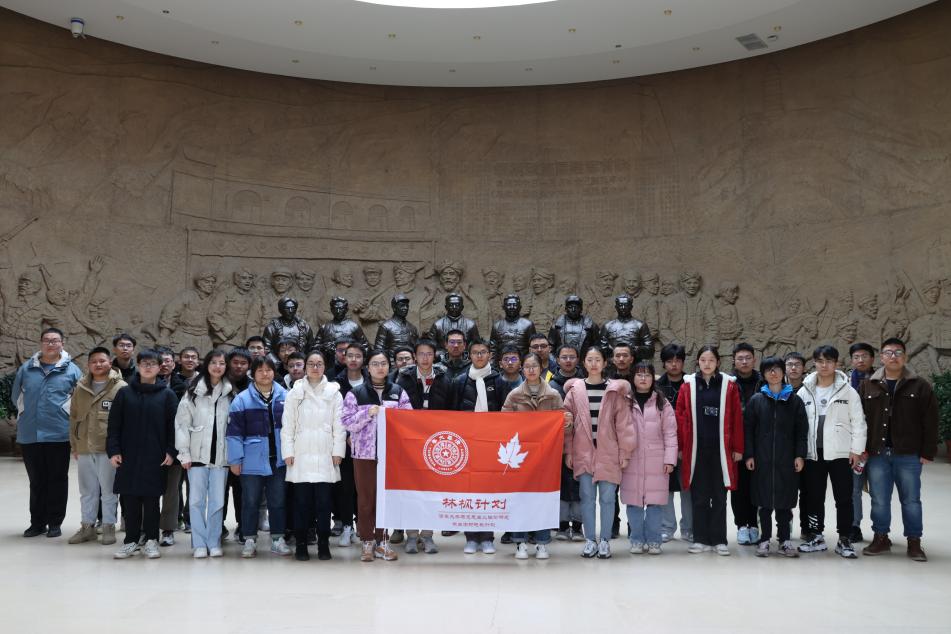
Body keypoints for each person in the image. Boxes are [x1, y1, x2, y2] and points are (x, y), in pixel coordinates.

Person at [860, 338, 938, 562]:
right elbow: (859, 420)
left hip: (908, 454)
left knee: (911, 500)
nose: (893, 356)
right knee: (879, 499)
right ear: (881, 357)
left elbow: (931, 420)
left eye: (898, 352)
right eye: (888, 352)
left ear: (905, 356)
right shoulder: (867, 385)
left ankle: (914, 542)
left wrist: (927, 452)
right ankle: (880, 537)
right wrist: (860, 449)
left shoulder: (920, 385)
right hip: (877, 454)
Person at [564, 346, 635, 559]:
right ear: (584, 363)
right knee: (586, 498)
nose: (594, 363)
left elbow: (624, 425)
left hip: (609, 453)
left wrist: (625, 452)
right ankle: (589, 540)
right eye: (590, 359)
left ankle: (604, 540)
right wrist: (569, 451)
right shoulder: (575, 391)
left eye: (598, 359)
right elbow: (567, 425)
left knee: (607, 498)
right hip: (583, 452)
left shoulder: (614, 391)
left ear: (605, 363)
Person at [342, 350, 412, 562]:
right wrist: (367, 413)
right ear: (368, 367)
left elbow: (409, 420)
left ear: (389, 367)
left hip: (390, 455)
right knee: (365, 499)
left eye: (383, 363)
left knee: (385, 499)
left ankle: (382, 541)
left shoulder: (398, 391)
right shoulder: (356, 393)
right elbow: (347, 422)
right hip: (364, 455)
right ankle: (367, 541)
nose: (380, 367)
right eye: (375, 364)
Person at [796, 345, 866, 558]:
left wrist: (856, 450)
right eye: (819, 361)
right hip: (813, 454)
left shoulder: (848, 391)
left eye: (828, 361)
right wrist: (799, 452)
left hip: (841, 454)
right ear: (814, 363)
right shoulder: (804, 390)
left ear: (836, 363)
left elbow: (859, 422)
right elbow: (797, 424)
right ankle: (816, 536)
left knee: (843, 498)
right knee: (814, 497)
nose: (824, 365)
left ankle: (844, 539)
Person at [107, 349, 178, 559]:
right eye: (144, 363)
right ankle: (130, 541)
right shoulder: (124, 393)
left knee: (151, 500)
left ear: (159, 367)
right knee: (129, 499)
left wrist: (171, 451)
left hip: (156, 456)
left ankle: (151, 540)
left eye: (152, 363)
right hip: (128, 456)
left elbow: (174, 427)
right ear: (138, 366)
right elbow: (114, 425)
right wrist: (114, 450)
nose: (148, 367)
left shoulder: (167, 395)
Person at [13, 327, 82, 539]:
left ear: (62, 343)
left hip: (59, 434)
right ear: (41, 343)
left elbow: (80, 401)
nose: (51, 344)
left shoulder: (72, 370)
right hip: (30, 434)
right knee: (36, 480)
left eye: (55, 340)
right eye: (47, 340)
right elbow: (16, 396)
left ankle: (54, 522)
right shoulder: (27, 369)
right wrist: (26, 414)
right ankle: (37, 523)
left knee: (57, 479)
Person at [676, 346, 744, 556]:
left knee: (720, 496)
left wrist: (738, 448)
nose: (707, 364)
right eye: (703, 360)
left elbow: (736, 417)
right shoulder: (688, 386)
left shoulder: (729, 386)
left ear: (718, 362)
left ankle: (719, 540)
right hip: (696, 450)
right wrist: (681, 446)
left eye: (711, 360)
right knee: (699, 497)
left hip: (721, 450)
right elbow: (680, 417)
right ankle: (700, 539)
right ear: (697, 362)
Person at [501, 352, 570, 560]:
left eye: (534, 366)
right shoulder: (514, 395)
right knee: (520, 499)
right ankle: (520, 542)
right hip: (520, 457)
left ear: (541, 368)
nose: (531, 370)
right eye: (527, 366)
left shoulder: (553, 395)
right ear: (522, 369)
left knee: (543, 500)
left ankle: (542, 542)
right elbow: (504, 424)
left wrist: (567, 422)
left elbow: (563, 426)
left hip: (545, 457)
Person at [282, 351, 346, 561]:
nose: (315, 367)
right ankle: (301, 544)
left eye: (319, 364)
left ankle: (323, 544)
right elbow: (287, 426)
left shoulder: (334, 392)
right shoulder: (295, 392)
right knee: (301, 504)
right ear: (305, 367)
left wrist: (338, 452)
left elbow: (339, 426)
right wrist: (288, 452)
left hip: (325, 454)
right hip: (300, 454)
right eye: (311, 363)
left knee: (324, 504)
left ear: (325, 366)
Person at [743, 356, 808, 558]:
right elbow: (748, 431)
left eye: (777, 369)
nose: (773, 373)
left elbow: (802, 432)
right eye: (769, 370)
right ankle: (764, 540)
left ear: (783, 372)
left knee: (785, 504)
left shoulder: (795, 401)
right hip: (762, 460)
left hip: (786, 460)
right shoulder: (756, 400)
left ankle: (785, 541)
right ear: (763, 374)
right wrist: (749, 455)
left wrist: (800, 455)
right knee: (764, 504)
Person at [227, 356, 292, 558]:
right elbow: (234, 434)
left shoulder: (286, 396)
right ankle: (249, 539)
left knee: (278, 501)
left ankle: (277, 539)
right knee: (250, 501)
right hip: (251, 460)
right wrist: (235, 460)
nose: (265, 374)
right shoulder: (242, 399)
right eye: (260, 370)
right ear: (252, 374)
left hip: (279, 460)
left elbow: (293, 429)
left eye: (269, 370)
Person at [394, 338, 452, 553]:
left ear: (434, 356)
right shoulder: (403, 379)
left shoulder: (445, 379)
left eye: (429, 354)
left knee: (432, 490)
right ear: (415, 357)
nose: (425, 358)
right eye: (421, 354)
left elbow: (453, 411)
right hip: (410, 442)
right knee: (411, 489)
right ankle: (411, 535)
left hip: (436, 443)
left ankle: (427, 535)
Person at [174, 349, 234, 558]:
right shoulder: (193, 392)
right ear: (206, 365)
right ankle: (199, 543)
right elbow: (182, 424)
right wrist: (184, 453)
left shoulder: (230, 392)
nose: (218, 367)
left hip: (221, 457)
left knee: (218, 502)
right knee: (196, 501)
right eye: (214, 362)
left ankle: (213, 541)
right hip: (196, 456)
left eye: (222, 363)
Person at [452, 338, 509, 551]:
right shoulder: (460, 381)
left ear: (490, 355)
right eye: (475, 352)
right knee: (468, 490)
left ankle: (487, 537)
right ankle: (470, 537)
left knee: (489, 489)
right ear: (469, 356)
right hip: (467, 443)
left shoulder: (499, 381)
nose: (479, 356)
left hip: (491, 443)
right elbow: (452, 414)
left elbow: (505, 414)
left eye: (483, 352)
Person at [67, 347, 125, 546]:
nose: (98, 364)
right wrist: (75, 445)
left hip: (108, 450)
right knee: (87, 491)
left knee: (109, 490)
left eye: (102, 361)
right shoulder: (81, 387)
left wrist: (120, 449)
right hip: (84, 446)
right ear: (88, 365)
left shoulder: (120, 387)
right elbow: (73, 418)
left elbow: (126, 421)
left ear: (110, 362)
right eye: (94, 361)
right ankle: (87, 527)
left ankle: (108, 526)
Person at [622, 360, 677, 555]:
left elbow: (671, 433)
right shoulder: (625, 402)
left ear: (653, 378)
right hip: (631, 460)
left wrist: (670, 459)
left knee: (655, 503)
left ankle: (654, 540)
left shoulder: (662, 402)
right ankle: (636, 539)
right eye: (639, 374)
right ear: (633, 378)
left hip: (657, 461)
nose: (643, 378)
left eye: (647, 375)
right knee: (633, 503)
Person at [331, 341, 365, 547]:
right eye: (349, 355)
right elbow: (334, 415)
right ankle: (346, 526)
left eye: (357, 356)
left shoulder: (371, 381)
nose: (353, 359)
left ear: (364, 359)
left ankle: (363, 524)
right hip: (343, 443)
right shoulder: (335, 383)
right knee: (345, 487)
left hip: (367, 444)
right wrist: (345, 437)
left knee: (364, 487)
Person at [657, 343, 691, 543]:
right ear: (664, 363)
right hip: (663, 445)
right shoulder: (656, 386)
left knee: (688, 487)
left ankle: (689, 527)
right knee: (665, 488)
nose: (674, 364)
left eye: (678, 360)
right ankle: (667, 527)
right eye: (669, 361)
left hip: (687, 444)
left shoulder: (691, 383)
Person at [155, 346, 187, 546]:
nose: (164, 364)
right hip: (149, 445)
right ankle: (147, 528)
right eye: (161, 361)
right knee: (147, 490)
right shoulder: (139, 386)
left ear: (174, 365)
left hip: (174, 444)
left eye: (168, 361)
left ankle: (168, 529)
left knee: (171, 491)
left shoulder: (182, 387)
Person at [730, 342, 761, 546]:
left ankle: (754, 524)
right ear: (734, 361)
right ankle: (741, 525)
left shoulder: (763, 380)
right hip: (737, 441)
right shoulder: (728, 382)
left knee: (756, 485)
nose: (744, 362)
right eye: (740, 358)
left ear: (754, 360)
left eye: (748, 358)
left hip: (760, 441)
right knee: (738, 486)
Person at [848, 342, 876, 543]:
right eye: (856, 357)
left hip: (876, 446)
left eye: (864, 356)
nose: (860, 360)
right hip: (853, 447)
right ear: (851, 360)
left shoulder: (881, 380)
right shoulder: (844, 382)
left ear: (872, 359)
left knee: (878, 491)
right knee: (854, 490)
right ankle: (854, 526)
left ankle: (881, 532)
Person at [222, 347, 251, 540]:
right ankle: (219, 526)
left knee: (243, 490)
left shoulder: (253, 386)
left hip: (244, 445)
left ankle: (243, 526)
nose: (239, 366)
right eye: (235, 362)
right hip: (220, 444)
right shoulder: (219, 383)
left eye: (243, 363)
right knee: (220, 489)